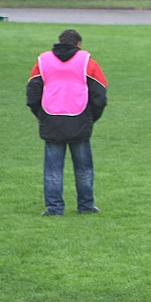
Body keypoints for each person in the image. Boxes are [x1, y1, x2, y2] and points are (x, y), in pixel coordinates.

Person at [26, 29, 108, 216]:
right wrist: (90, 117)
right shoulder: (88, 63)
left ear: (59, 42)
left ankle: (54, 208)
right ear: (78, 44)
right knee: (84, 168)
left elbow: (32, 95)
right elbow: (100, 96)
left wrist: (42, 115)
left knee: (52, 169)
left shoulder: (42, 62)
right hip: (80, 119)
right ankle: (86, 206)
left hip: (51, 119)